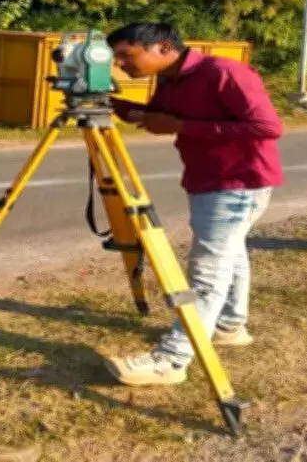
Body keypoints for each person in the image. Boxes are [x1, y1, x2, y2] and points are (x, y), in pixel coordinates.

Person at [102, 22, 285, 386]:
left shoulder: (223, 72)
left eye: (127, 55)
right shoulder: (169, 80)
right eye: (117, 58)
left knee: (207, 271)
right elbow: (154, 117)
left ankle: (172, 359)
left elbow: (267, 127)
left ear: (163, 47)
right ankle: (230, 326)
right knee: (230, 254)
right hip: (209, 180)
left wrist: (182, 125)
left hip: (237, 182)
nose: (121, 65)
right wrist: (105, 102)